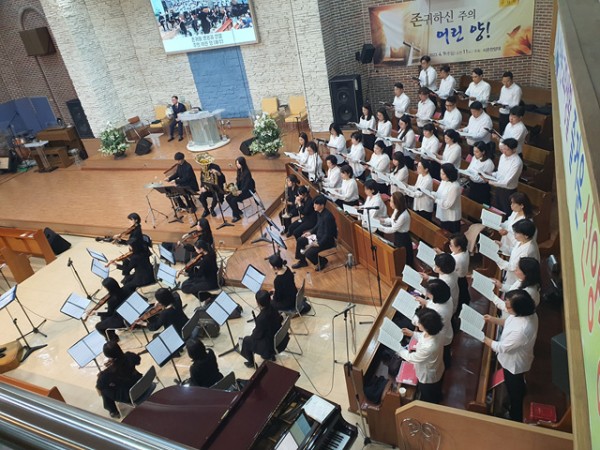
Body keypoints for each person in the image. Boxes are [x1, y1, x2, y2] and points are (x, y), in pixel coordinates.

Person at [483, 290, 538, 422]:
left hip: (514, 364)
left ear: (519, 308)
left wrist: (483, 338)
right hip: (514, 359)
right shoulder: (526, 313)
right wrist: (492, 320)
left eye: (508, 307)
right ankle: (521, 390)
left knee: (514, 392)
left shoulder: (522, 330)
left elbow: (501, 347)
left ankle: (515, 416)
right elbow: (509, 322)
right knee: (517, 384)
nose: (506, 309)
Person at [399, 308, 445, 404]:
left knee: (429, 396)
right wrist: (413, 334)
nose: (418, 324)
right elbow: (423, 336)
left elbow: (412, 358)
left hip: (428, 376)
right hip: (436, 367)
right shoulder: (435, 331)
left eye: (420, 323)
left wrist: (398, 350)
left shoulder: (429, 346)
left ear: (427, 327)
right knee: (436, 389)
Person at [96, 341, 142, 418]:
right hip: (140, 383)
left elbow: (99, 387)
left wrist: (100, 375)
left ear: (107, 356)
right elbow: (138, 361)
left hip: (129, 395)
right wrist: (115, 362)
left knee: (104, 390)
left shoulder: (106, 374)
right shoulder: (129, 356)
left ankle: (113, 411)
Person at [414, 279, 453, 367]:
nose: (427, 294)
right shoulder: (447, 298)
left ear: (436, 295)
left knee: (443, 356)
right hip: (447, 331)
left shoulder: (436, 311)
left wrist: (416, 317)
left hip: (440, 337)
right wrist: (426, 302)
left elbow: (423, 321)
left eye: (429, 293)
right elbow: (434, 304)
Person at [293, 195, 337, 271]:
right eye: (314, 204)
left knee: (308, 253)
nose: (314, 206)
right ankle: (302, 261)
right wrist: (310, 232)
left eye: (316, 204)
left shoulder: (328, 217)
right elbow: (318, 225)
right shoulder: (319, 212)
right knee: (300, 240)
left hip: (326, 241)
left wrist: (319, 243)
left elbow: (328, 234)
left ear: (322, 205)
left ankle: (322, 261)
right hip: (318, 237)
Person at [241, 290, 284, 367]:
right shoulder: (274, 306)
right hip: (280, 339)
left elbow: (256, 336)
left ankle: (251, 362)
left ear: (258, 303)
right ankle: (267, 355)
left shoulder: (261, 318)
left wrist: (254, 331)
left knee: (246, 340)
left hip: (270, 345)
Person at [481, 138, 523, 215]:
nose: (504, 151)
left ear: (514, 149)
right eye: (503, 149)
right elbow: (499, 172)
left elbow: (506, 182)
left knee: (506, 211)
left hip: (508, 191)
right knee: (497, 209)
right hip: (499, 187)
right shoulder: (503, 156)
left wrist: (489, 181)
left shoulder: (517, 162)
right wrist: (491, 174)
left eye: (507, 149)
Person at [498, 220, 540, 287]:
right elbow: (514, 251)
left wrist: (497, 260)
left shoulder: (527, 252)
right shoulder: (523, 240)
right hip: (512, 274)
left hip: (517, 278)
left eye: (517, 233)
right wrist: (501, 246)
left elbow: (513, 267)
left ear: (526, 235)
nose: (514, 235)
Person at [377, 192, 413, 267]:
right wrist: (383, 220)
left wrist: (379, 227)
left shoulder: (403, 215)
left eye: (391, 201)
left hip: (403, 238)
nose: (390, 203)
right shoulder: (397, 209)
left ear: (397, 203)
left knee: (403, 257)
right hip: (398, 236)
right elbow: (392, 220)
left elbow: (393, 229)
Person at [94, 278, 129, 342]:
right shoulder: (126, 289)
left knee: (98, 326)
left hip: (122, 320)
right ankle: (111, 334)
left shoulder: (112, 300)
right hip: (129, 313)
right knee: (103, 317)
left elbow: (110, 314)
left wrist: (96, 313)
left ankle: (112, 339)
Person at [225, 156, 256, 223]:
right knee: (227, 198)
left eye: (238, 163)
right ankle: (238, 211)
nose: (237, 165)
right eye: (236, 163)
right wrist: (235, 188)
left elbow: (247, 185)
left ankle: (237, 216)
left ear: (242, 163)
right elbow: (238, 182)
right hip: (240, 190)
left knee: (233, 200)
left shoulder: (247, 173)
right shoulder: (239, 171)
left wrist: (241, 191)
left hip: (247, 191)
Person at [434, 164, 462, 233]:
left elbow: (448, 204)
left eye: (443, 174)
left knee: (450, 234)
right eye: (440, 173)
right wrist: (432, 194)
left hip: (451, 217)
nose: (441, 175)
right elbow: (439, 193)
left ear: (449, 174)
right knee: (443, 231)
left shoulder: (455, 186)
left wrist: (436, 200)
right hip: (443, 213)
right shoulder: (444, 181)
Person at [448, 233, 470, 312]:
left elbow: (447, 267)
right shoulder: (464, 251)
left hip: (458, 281)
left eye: (451, 245)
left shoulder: (457, 260)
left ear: (459, 247)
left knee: (459, 300)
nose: (449, 246)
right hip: (462, 279)